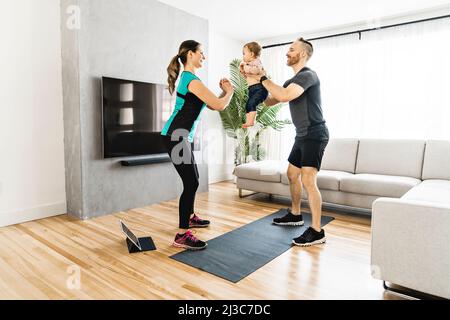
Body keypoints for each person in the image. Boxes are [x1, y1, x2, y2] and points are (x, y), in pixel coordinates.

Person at [245, 38, 329, 247]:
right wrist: (254, 84)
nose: (287, 53)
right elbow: (270, 100)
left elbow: (283, 96)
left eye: (291, 50)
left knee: (308, 180)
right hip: (302, 135)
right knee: (292, 174)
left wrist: (262, 76)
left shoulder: (308, 75)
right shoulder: (290, 81)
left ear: (302, 54)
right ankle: (295, 214)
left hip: (315, 134)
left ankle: (317, 231)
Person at [162, 40, 234, 250]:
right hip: (176, 136)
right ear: (190, 54)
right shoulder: (190, 80)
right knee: (192, 183)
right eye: (201, 53)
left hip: (182, 136)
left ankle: (190, 216)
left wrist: (223, 93)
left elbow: (213, 104)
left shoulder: (191, 80)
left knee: (194, 179)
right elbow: (220, 105)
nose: (204, 56)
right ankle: (182, 235)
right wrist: (229, 92)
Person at [240, 42, 268, 128]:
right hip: (252, 89)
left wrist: (245, 67)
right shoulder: (249, 64)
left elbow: (255, 71)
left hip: (259, 89)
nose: (243, 56)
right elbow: (248, 77)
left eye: (244, 53)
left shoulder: (257, 61)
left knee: (251, 103)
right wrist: (242, 71)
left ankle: (251, 122)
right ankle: (248, 121)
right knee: (248, 104)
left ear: (252, 54)